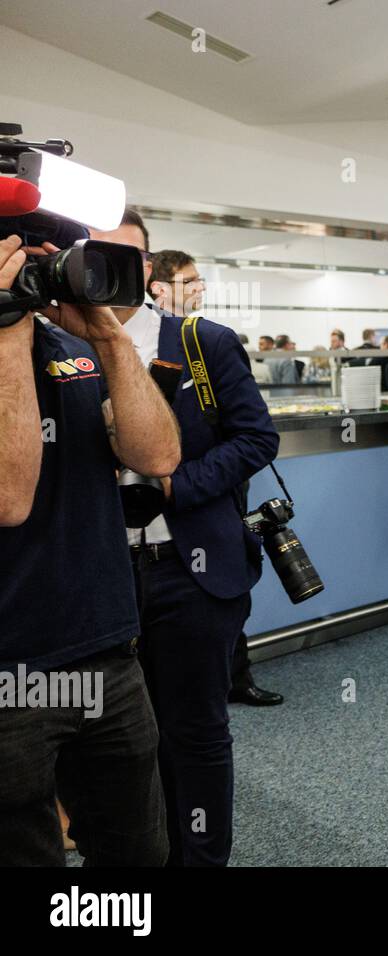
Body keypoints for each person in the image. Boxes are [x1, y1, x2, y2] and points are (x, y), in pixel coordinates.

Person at [88, 229, 281, 864]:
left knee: (194, 734)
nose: (103, 263)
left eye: (121, 251)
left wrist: (175, 484)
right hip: (96, 576)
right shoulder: (57, 345)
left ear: (146, 265)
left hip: (189, 569)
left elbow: (256, 439)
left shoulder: (200, 342)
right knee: (110, 741)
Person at [0, 230, 180, 866]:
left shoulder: (75, 349)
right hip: (11, 673)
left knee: (136, 855)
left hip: (107, 651)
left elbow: (158, 457)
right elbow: (8, 497)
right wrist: (7, 332)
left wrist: (109, 340)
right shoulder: (13, 344)